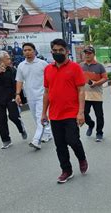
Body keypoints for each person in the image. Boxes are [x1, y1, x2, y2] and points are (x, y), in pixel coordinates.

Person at [41, 39, 88, 184]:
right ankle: (66, 170)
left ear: (67, 51)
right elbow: (47, 92)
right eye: (54, 51)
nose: (57, 53)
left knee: (73, 140)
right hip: (55, 115)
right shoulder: (48, 69)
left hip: (71, 113)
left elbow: (81, 91)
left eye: (60, 50)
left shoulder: (75, 68)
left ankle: (81, 158)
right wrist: (44, 113)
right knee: (60, 145)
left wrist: (81, 112)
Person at [0, 51, 27, 149]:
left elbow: (19, 84)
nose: (10, 60)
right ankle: (6, 140)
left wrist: (21, 98)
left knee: (14, 117)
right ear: (1, 60)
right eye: (8, 58)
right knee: (0, 120)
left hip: (11, 98)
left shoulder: (13, 70)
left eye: (9, 58)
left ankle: (21, 129)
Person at [15, 43, 52, 150]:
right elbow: (19, 81)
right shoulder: (21, 66)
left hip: (42, 95)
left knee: (40, 116)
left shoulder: (43, 64)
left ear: (34, 51)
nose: (27, 52)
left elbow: (50, 78)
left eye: (29, 50)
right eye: (25, 50)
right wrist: (17, 94)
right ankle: (48, 134)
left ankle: (37, 140)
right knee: (36, 118)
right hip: (30, 96)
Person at [81, 46, 108, 142]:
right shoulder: (80, 66)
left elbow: (105, 78)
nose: (87, 55)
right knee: (84, 113)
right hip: (84, 95)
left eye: (89, 53)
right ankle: (91, 124)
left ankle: (99, 133)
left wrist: (96, 83)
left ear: (93, 54)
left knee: (99, 115)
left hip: (96, 95)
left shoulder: (99, 66)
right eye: (86, 53)